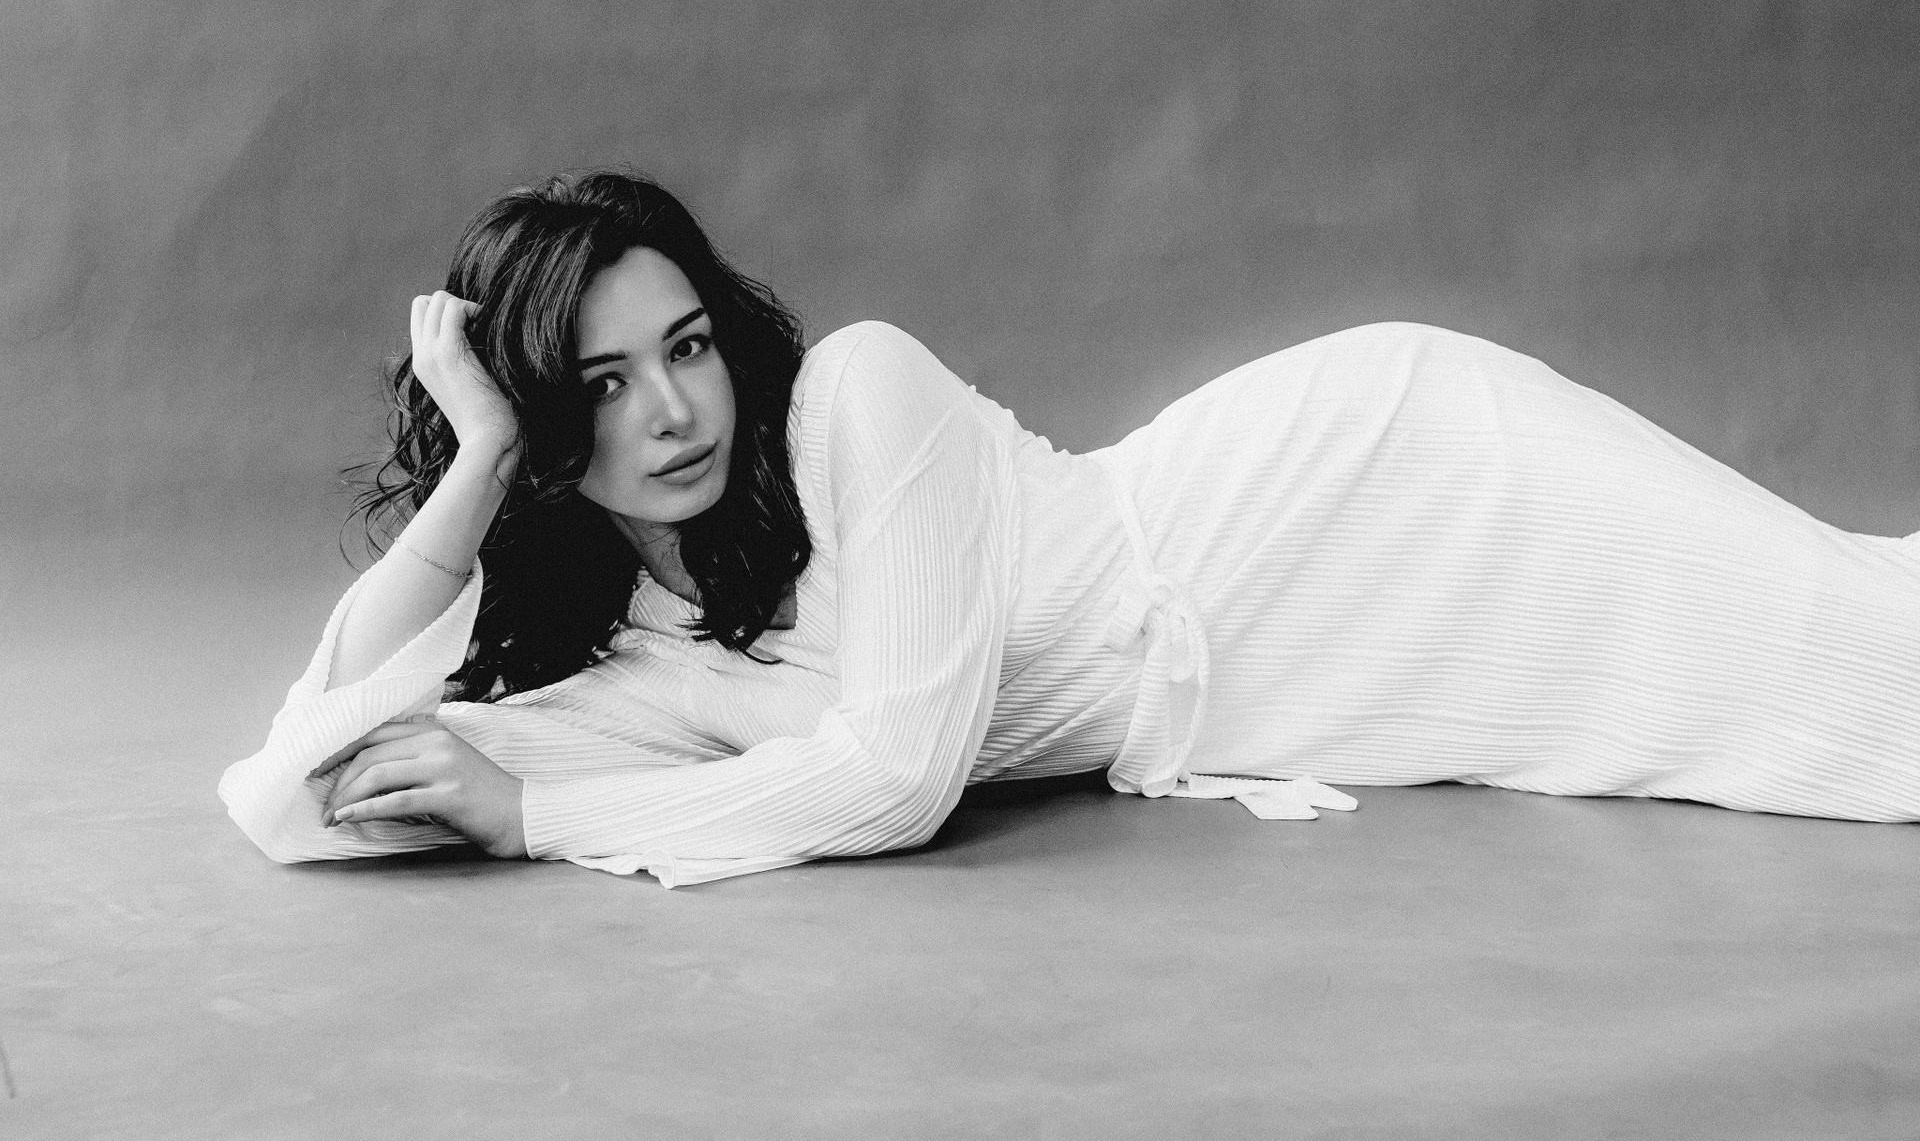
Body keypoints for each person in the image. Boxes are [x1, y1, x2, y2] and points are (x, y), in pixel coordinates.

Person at [220, 169, 1920, 887]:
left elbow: (898, 775)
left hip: (1383, 490)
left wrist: (541, 820)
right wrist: (476, 459)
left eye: (686, 347)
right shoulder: (649, 662)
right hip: (1315, 685)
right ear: (541, 426)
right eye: (596, 388)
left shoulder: (859, 396)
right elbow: (302, 786)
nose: (672, 412)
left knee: (1864, 665)